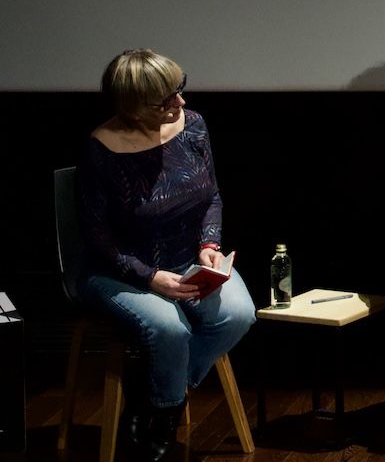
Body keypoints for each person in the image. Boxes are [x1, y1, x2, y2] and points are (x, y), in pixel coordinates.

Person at [78, 50, 256, 462]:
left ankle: (153, 401)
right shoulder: (100, 151)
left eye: (180, 91)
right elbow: (97, 237)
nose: (180, 104)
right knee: (169, 330)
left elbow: (211, 195)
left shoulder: (192, 126)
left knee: (239, 314)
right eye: (165, 100)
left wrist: (209, 245)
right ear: (131, 106)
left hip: (186, 260)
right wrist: (148, 277)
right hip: (119, 270)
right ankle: (164, 416)